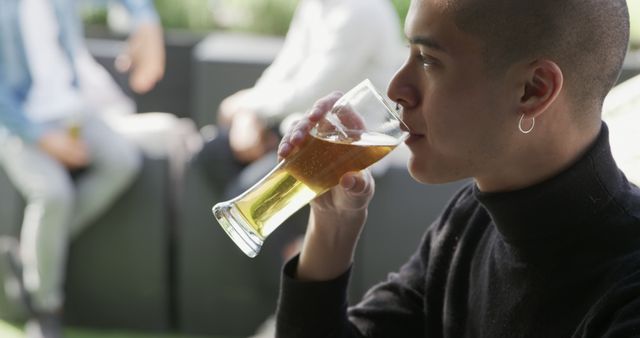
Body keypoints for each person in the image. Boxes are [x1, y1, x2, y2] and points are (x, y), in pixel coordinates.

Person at [274, 0, 640, 337]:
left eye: (429, 60)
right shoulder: (467, 223)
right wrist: (332, 224)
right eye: (409, 52)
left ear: (533, 90)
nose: (396, 88)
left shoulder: (627, 292)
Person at [0, 0, 165, 337]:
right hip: (17, 123)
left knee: (122, 161)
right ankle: (45, 307)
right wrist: (43, 137)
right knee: (53, 194)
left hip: (72, 110)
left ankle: (35, 253)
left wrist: (146, 21)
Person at [196, 0, 405, 200]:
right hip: (299, 129)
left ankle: (295, 238)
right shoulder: (314, 5)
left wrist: (247, 107)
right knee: (213, 152)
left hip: (347, 143)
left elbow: (315, 90)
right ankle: (293, 238)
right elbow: (284, 67)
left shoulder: (363, 10)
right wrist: (250, 114)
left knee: (247, 191)